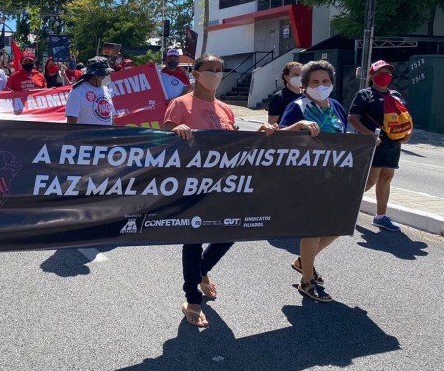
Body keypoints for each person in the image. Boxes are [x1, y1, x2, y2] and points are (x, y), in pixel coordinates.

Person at [164, 54, 276, 327]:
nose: (215, 74)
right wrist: (176, 129)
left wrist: (260, 134)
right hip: (192, 184)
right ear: (196, 74)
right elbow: (164, 139)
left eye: (219, 70)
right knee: (193, 239)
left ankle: (203, 269)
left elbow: (236, 143)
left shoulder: (225, 109)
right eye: (209, 70)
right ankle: (192, 299)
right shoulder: (179, 104)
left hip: (225, 185)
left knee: (230, 230)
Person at [279, 60, 348, 303]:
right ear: (305, 85)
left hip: (334, 177)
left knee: (339, 225)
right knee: (315, 228)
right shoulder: (298, 107)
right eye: (315, 82)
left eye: (326, 81)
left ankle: (302, 261)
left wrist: (367, 143)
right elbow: (277, 138)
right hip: (306, 179)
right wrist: (298, 126)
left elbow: (344, 139)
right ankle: (306, 281)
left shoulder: (337, 107)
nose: (321, 86)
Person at [348, 60, 412, 232]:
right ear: (372, 76)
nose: (385, 76)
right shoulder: (364, 94)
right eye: (381, 73)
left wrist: (407, 135)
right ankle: (345, 204)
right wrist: (369, 135)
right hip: (374, 143)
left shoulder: (396, 95)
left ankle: (381, 217)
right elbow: (353, 118)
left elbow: (405, 117)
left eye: (388, 73)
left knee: (387, 177)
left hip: (393, 143)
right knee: (371, 179)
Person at [65, 57, 115, 125]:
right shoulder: (77, 92)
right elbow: (71, 123)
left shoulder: (105, 89)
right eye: (105, 74)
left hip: (105, 135)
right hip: (86, 135)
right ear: (95, 75)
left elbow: (110, 117)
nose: (108, 77)